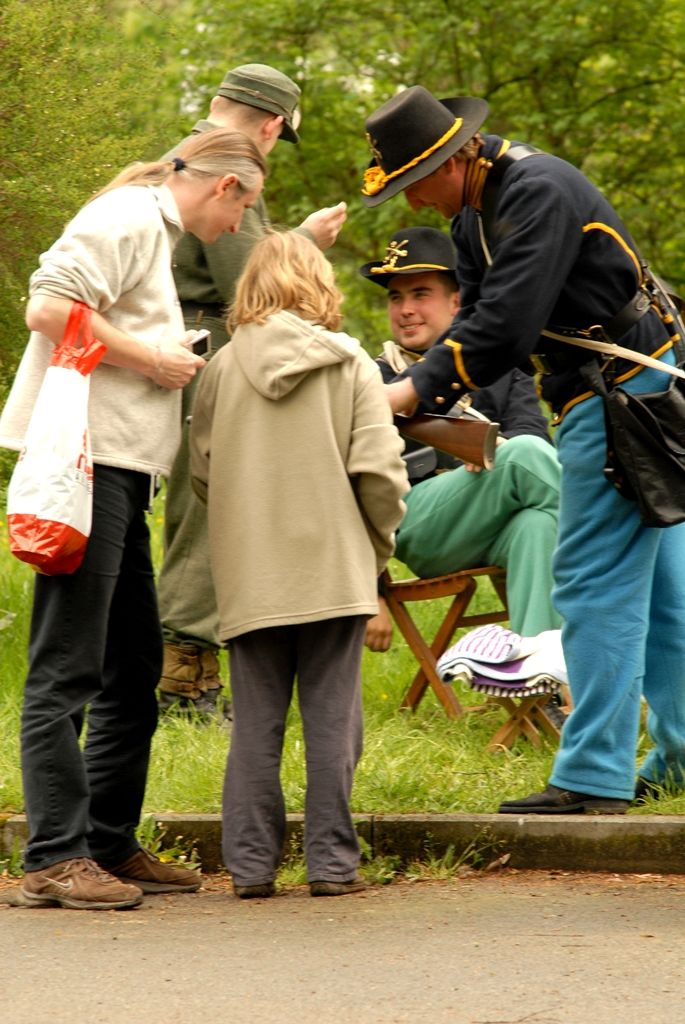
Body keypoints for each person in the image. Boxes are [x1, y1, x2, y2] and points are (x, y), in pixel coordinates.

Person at [359, 85, 685, 812]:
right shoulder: (477, 209)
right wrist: (432, 390)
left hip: (621, 400)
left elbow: (505, 326)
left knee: (592, 584)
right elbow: (474, 317)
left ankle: (592, 775)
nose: (411, 204)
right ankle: (681, 755)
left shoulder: (536, 190)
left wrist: (405, 396)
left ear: (452, 157)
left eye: (412, 184)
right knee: (665, 597)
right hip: (619, 394)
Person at [0, 128, 267, 909]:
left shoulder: (151, 230)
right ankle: (52, 856)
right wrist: (151, 359)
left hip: (123, 469)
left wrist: (155, 349)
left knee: (132, 670)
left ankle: (107, 846)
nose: (234, 230)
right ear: (225, 188)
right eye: (242, 210)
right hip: (89, 466)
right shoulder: (126, 216)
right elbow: (47, 308)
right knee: (69, 665)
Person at [189, 230, 408, 898]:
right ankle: (332, 865)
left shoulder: (220, 370)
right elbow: (379, 474)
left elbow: (202, 472)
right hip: (333, 572)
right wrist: (376, 549)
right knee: (332, 723)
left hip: (250, 574)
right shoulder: (348, 363)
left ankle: (251, 869)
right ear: (318, 285)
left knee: (254, 727)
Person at [156, 63, 348, 718]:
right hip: (203, 350)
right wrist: (306, 242)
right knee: (203, 510)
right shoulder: (226, 168)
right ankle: (185, 681)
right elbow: (246, 282)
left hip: (173, 344)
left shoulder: (185, 155)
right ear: (271, 124)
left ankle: (180, 670)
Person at [359, 225, 561, 655]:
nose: (406, 309)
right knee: (522, 456)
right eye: (397, 297)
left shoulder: (504, 369)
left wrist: (492, 459)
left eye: (420, 294)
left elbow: (531, 432)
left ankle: (540, 674)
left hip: (494, 517)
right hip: (417, 525)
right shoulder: (370, 378)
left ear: (458, 301)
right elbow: (352, 485)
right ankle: (622, 558)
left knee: (537, 525)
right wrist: (370, 591)